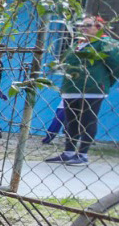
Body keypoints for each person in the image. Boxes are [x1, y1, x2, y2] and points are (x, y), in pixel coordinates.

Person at [47, 15, 118, 166]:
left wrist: (103, 82)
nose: (83, 28)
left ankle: (83, 154)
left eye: (88, 25)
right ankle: (69, 152)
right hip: (72, 89)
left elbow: (115, 66)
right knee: (71, 120)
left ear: (99, 28)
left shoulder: (105, 44)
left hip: (92, 89)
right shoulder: (77, 44)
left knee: (87, 120)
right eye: (81, 25)